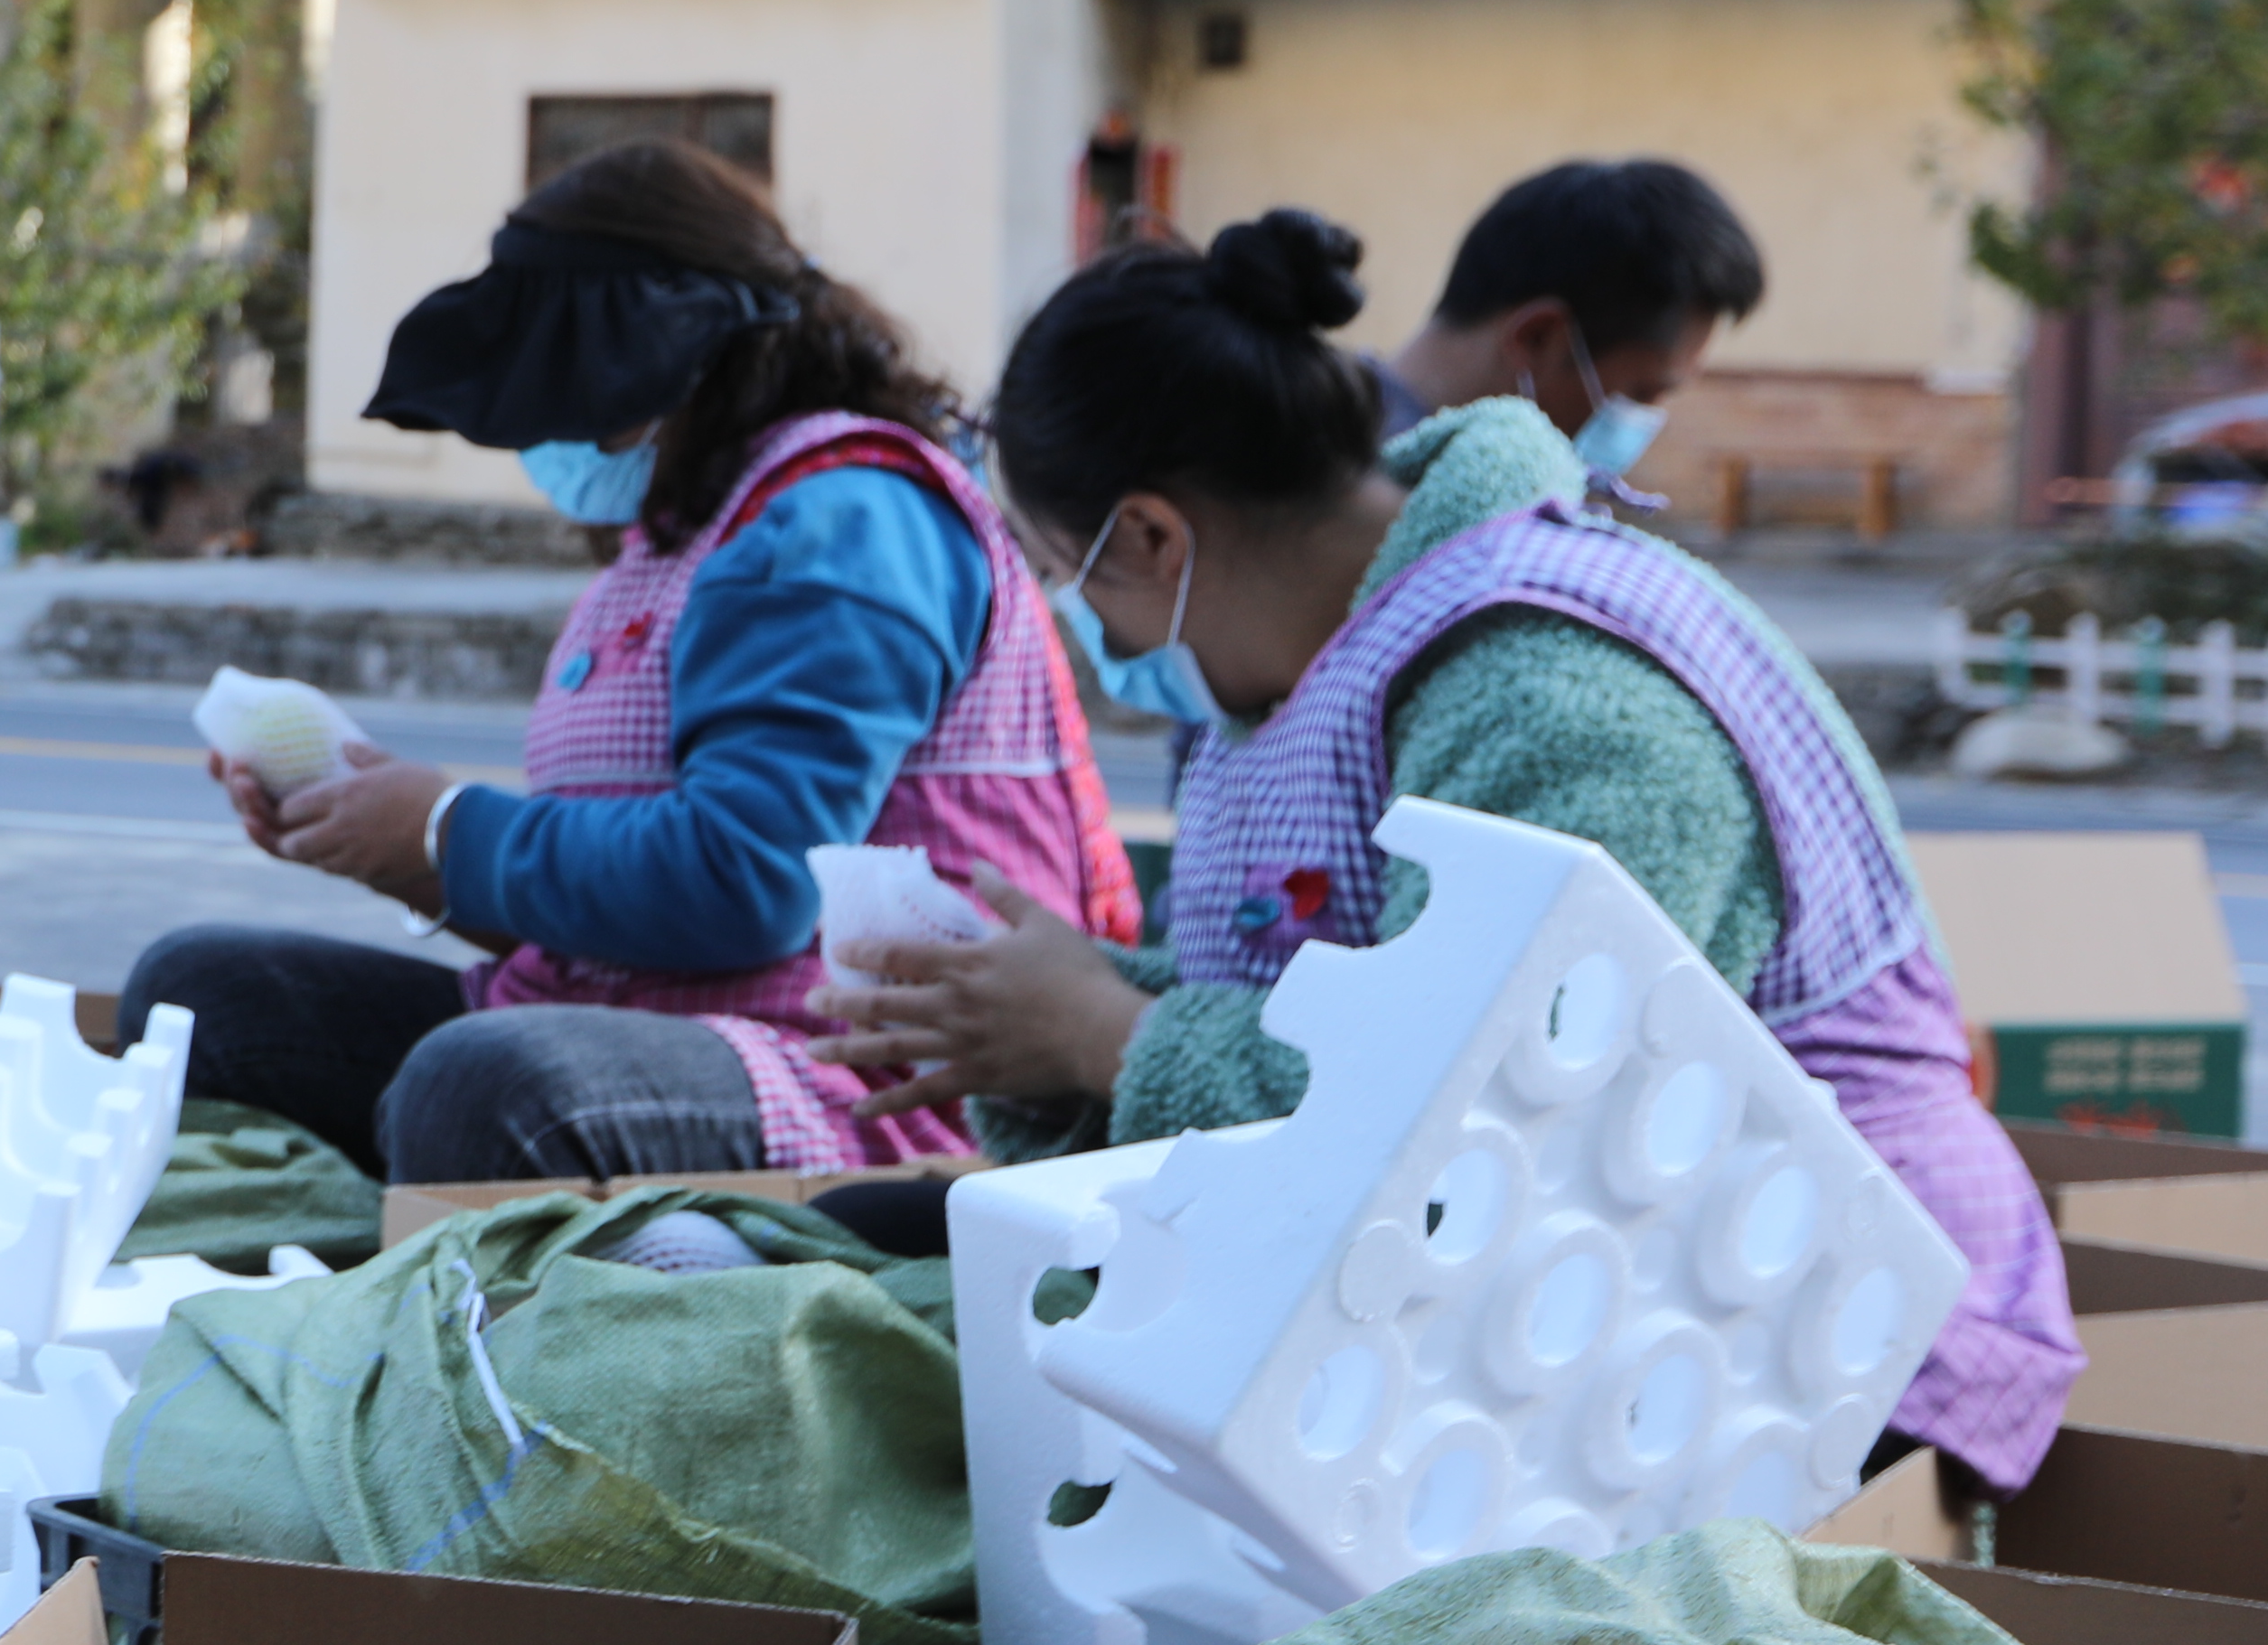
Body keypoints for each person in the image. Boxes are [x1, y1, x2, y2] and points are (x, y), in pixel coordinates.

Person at [819, 210, 2076, 1482]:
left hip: (1821, 1347)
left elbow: (1490, 1129)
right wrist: (1039, 1021)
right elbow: (1359, 1025)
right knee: (885, 1266)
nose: (1085, 626)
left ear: (1150, 535)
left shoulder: (1553, 695)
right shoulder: (1343, 663)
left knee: (926, 1397)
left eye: (1058, 571)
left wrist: (1102, 1032)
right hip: (1584, 1309)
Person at [121, 138, 1137, 1182]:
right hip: (637, 1020)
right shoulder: (682, 530)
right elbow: (616, 908)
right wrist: (402, 851)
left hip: (857, 1074)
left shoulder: (842, 518)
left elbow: (751, 883)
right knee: (201, 998)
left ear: (660, 362)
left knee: (481, 1084)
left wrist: (448, 828)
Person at [1378, 156, 1765, 478]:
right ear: (1537, 338)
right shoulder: (1357, 498)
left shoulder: (1475, 476)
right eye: (1639, 393)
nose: (1646, 423)